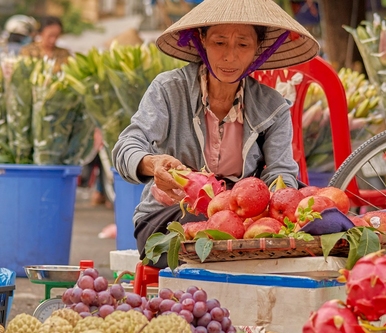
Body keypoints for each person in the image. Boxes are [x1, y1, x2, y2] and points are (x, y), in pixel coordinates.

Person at [112, 0, 319, 268]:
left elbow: (281, 173)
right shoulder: (168, 89)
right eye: (220, 43)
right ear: (202, 41)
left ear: (257, 50)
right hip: (169, 220)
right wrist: (153, 164)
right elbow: (127, 145)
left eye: (243, 45)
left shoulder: (273, 107)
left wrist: (275, 211)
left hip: (241, 225)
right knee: (206, 235)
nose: (230, 56)